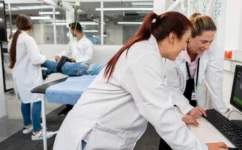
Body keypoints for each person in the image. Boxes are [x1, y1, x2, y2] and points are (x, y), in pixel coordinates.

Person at [53, 11, 228, 150]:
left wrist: (179, 117)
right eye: (185, 41)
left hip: (98, 134)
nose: (184, 47)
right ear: (173, 37)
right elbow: (160, 113)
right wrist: (202, 148)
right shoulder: (144, 57)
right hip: (89, 138)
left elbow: (152, 102)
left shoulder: (146, 51)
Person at [159, 12, 229, 150]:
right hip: (174, 99)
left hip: (195, 96)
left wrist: (224, 115)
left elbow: (215, 83)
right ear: (189, 37)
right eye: (203, 41)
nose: (208, 46)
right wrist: (187, 109)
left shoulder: (211, 50)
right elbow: (172, 88)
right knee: (173, 136)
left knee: (196, 134)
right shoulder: (175, 51)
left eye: (211, 41)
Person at [8, 14, 56, 140]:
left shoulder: (13, 38)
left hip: (20, 77)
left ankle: (28, 125)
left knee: (25, 100)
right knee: (37, 100)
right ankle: (36, 132)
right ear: (31, 25)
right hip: (30, 77)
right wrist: (44, 57)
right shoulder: (28, 39)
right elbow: (36, 60)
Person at [56, 22, 94, 116]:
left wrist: (76, 60)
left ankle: (81, 110)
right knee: (69, 88)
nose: (70, 32)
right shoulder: (72, 41)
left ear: (75, 30)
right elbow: (67, 51)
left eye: (70, 30)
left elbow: (88, 58)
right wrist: (59, 55)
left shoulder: (88, 43)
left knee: (80, 90)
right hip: (72, 68)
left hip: (82, 69)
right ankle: (68, 108)